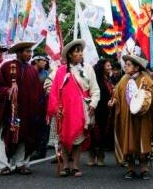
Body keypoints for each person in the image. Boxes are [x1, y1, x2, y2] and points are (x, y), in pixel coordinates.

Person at [47, 39, 100, 177]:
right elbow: (53, 91)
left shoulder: (88, 68)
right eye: (77, 51)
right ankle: (65, 166)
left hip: (82, 109)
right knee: (63, 138)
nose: (81, 53)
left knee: (79, 138)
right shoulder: (60, 71)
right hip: (64, 110)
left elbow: (95, 90)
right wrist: (55, 107)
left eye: (81, 51)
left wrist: (93, 104)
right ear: (70, 55)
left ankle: (75, 166)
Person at [0, 41, 43, 175]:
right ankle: (4, 165)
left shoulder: (32, 70)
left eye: (30, 52)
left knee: (24, 136)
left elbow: (38, 92)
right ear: (18, 52)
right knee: (6, 135)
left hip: (27, 112)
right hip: (9, 111)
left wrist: (39, 108)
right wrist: (7, 91)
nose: (29, 54)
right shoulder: (7, 67)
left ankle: (21, 164)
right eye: (26, 51)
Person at [110, 54, 153, 180]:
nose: (126, 67)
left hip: (142, 118)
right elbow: (116, 94)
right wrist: (113, 101)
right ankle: (131, 169)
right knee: (129, 141)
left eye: (129, 65)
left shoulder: (146, 79)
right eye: (126, 65)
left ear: (137, 67)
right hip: (127, 118)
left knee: (142, 141)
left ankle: (144, 169)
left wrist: (146, 96)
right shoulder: (123, 80)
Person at [88, 59, 114, 166]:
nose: (110, 67)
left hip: (106, 110)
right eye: (108, 65)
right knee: (93, 133)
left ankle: (101, 155)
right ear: (102, 67)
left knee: (104, 133)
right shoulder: (95, 79)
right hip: (96, 109)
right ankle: (92, 155)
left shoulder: (108, 79)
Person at [30, 55, 50, 160]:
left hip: (43, 103)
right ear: (36, 61)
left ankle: (41, 151)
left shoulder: (47, 74)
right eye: (43, 61)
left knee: (43, 128)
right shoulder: (28, 72)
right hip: (30, 104)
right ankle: (31, 150)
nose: (45, 63)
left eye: (46, 61)